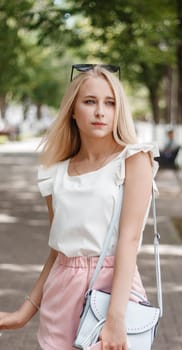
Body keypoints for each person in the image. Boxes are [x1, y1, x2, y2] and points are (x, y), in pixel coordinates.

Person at [0, 64, 159, 350]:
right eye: (90, 101)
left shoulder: (134, 160)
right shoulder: (54, 173)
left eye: (110, 103)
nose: (100, 112)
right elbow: (57, 251)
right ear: (73, 110)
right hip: (60, 294)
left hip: (113, 292)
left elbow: (129, 240)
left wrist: (115, 318)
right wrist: (24, 312)